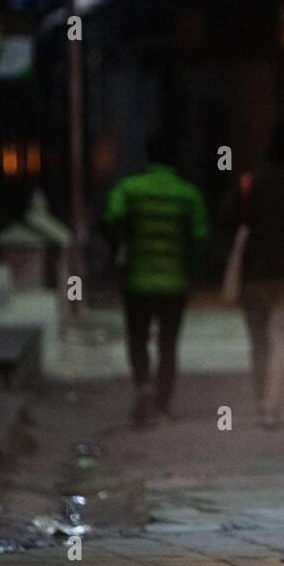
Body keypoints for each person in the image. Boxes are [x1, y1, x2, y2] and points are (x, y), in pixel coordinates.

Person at [103, 132, 209, 426]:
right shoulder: (187, 194)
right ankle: (162, 405)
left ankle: (142, 385)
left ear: (147, 156)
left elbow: (111, 217)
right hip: (175, 284)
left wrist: (122, 241)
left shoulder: (129, 189)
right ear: (174, 159)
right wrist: (189, 263)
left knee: (137, 338)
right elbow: (200, 237)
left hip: (137, 281)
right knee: (168, 343)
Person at [220, 123, 284, 427]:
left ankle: (262, 401)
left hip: (253, 276)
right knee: (281, 343)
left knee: (258, 342)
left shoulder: (249, 182)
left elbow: (226, 218)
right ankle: (272, 403)